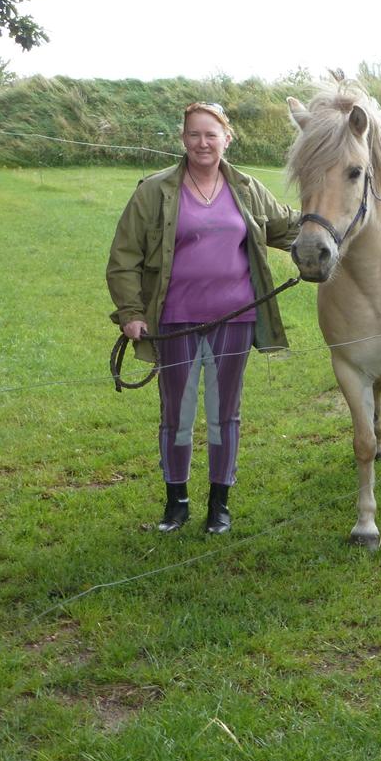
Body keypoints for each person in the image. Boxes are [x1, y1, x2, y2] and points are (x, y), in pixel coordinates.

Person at [106, 102, 299, 534]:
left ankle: (219, 503)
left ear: (227, 138)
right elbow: (124, 257)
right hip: (177, 321)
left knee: (223, 413)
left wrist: (329, 232)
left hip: (236, 318)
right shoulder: (154, 191)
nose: (202, 143)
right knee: (177, 413)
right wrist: (132, 313)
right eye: (194, 134)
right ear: (183, 140)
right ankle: (177, 502)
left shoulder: (247, 188)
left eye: (211, 134)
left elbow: (286, 227)